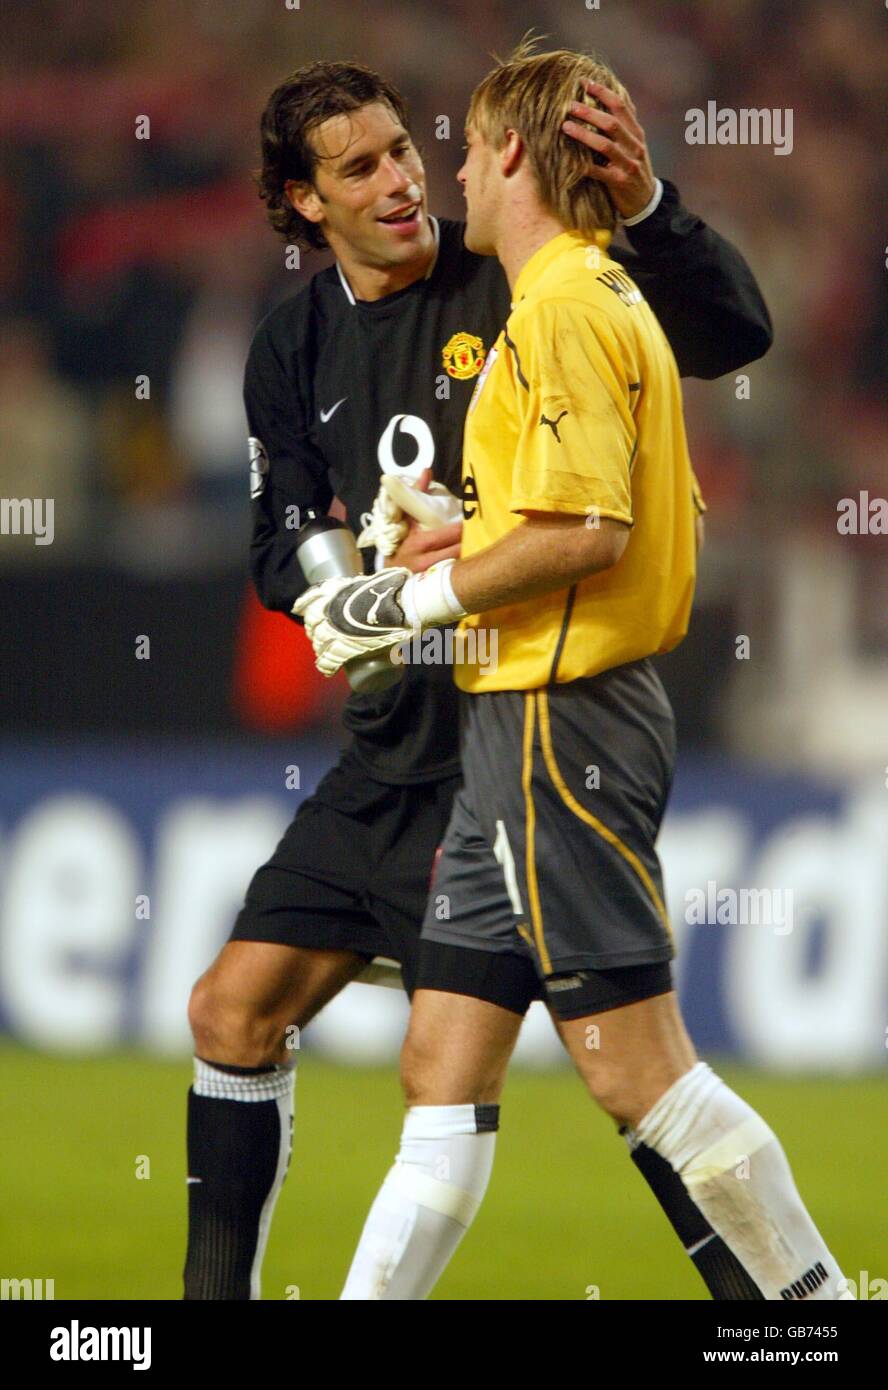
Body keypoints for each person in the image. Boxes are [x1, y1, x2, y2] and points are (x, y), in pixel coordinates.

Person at [184, 57, 773, 1301]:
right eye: (361, 167)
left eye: (407, 149)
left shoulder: (515, 274)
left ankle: (790, 1304)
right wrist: (346, 583)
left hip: (516, 732)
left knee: (620, 1074)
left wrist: (654, 206)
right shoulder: (290, 344)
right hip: (395, 743)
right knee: (235, 1014)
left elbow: (730, 335)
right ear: (303, 203)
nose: (403, 180)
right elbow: (282, 530)